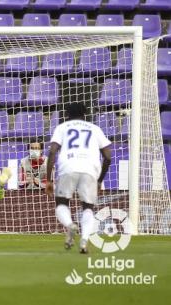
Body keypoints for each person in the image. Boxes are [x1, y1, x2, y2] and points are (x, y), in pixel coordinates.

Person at [46, 103, 111, 254]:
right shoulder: (95, 129)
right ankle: (84, 240)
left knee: (61, 203)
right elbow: (108, 157)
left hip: (68, 166)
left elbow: (52, 152)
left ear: (67, 114)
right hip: (90, 169)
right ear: (85, 114)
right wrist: (100, 180)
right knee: (88, 207)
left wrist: (48, 180)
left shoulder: (62, 127)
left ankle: (70, 225)